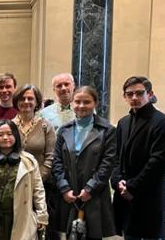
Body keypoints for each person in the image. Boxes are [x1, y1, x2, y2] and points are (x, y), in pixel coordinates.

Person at [111, 76, 165, 239]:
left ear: (150, 94)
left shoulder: (162, 122)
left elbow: (158, 163)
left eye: (139, 93)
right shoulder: (123, 122)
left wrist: (131, 187)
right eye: (129, 94)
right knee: (129, 235)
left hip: (148, 196)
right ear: (124, 97)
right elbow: (116, 157)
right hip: (125, 196)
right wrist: (118, 181)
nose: (134, 98)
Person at [52, 86, 116, 239]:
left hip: (95, 193)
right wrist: (64, 188)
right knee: (70, 235)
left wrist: (90, 189)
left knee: (93, 234)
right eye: (77, 102)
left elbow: (107, 163)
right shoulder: (63, 130)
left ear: (95, 103)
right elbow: (57, 161)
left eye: (86, 102)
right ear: (72, 104)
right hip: (70, 193)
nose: (81, 106)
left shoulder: (107, 130)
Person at [0, 119, 48, 239]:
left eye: (9, 134)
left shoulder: (29, 161)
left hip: (21, 215)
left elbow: (38, 190)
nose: (5, 138)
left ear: (15, 135)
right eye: (0, 135)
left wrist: (42, 215)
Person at [10, 84, 57, 239]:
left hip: (41, 186)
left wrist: (36, 180)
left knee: (39, 228)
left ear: (37, 102)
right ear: (16, 101)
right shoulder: (8, 126)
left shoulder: (45, 126)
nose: (26, 101)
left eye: (30, 98)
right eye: (22, 98)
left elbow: (50, 156)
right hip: (13, 185)